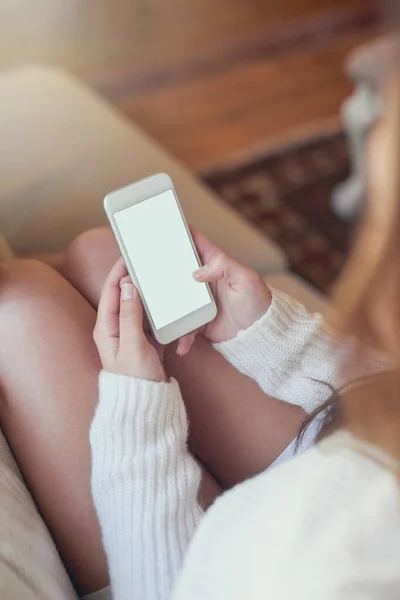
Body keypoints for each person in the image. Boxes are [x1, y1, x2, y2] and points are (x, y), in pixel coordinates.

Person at [0, 78, 399, 600]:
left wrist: (137, 409)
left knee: (20, 305)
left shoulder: (340, 576)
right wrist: (272, 333)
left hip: (207, 568)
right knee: (106, 257)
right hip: (332, 472)